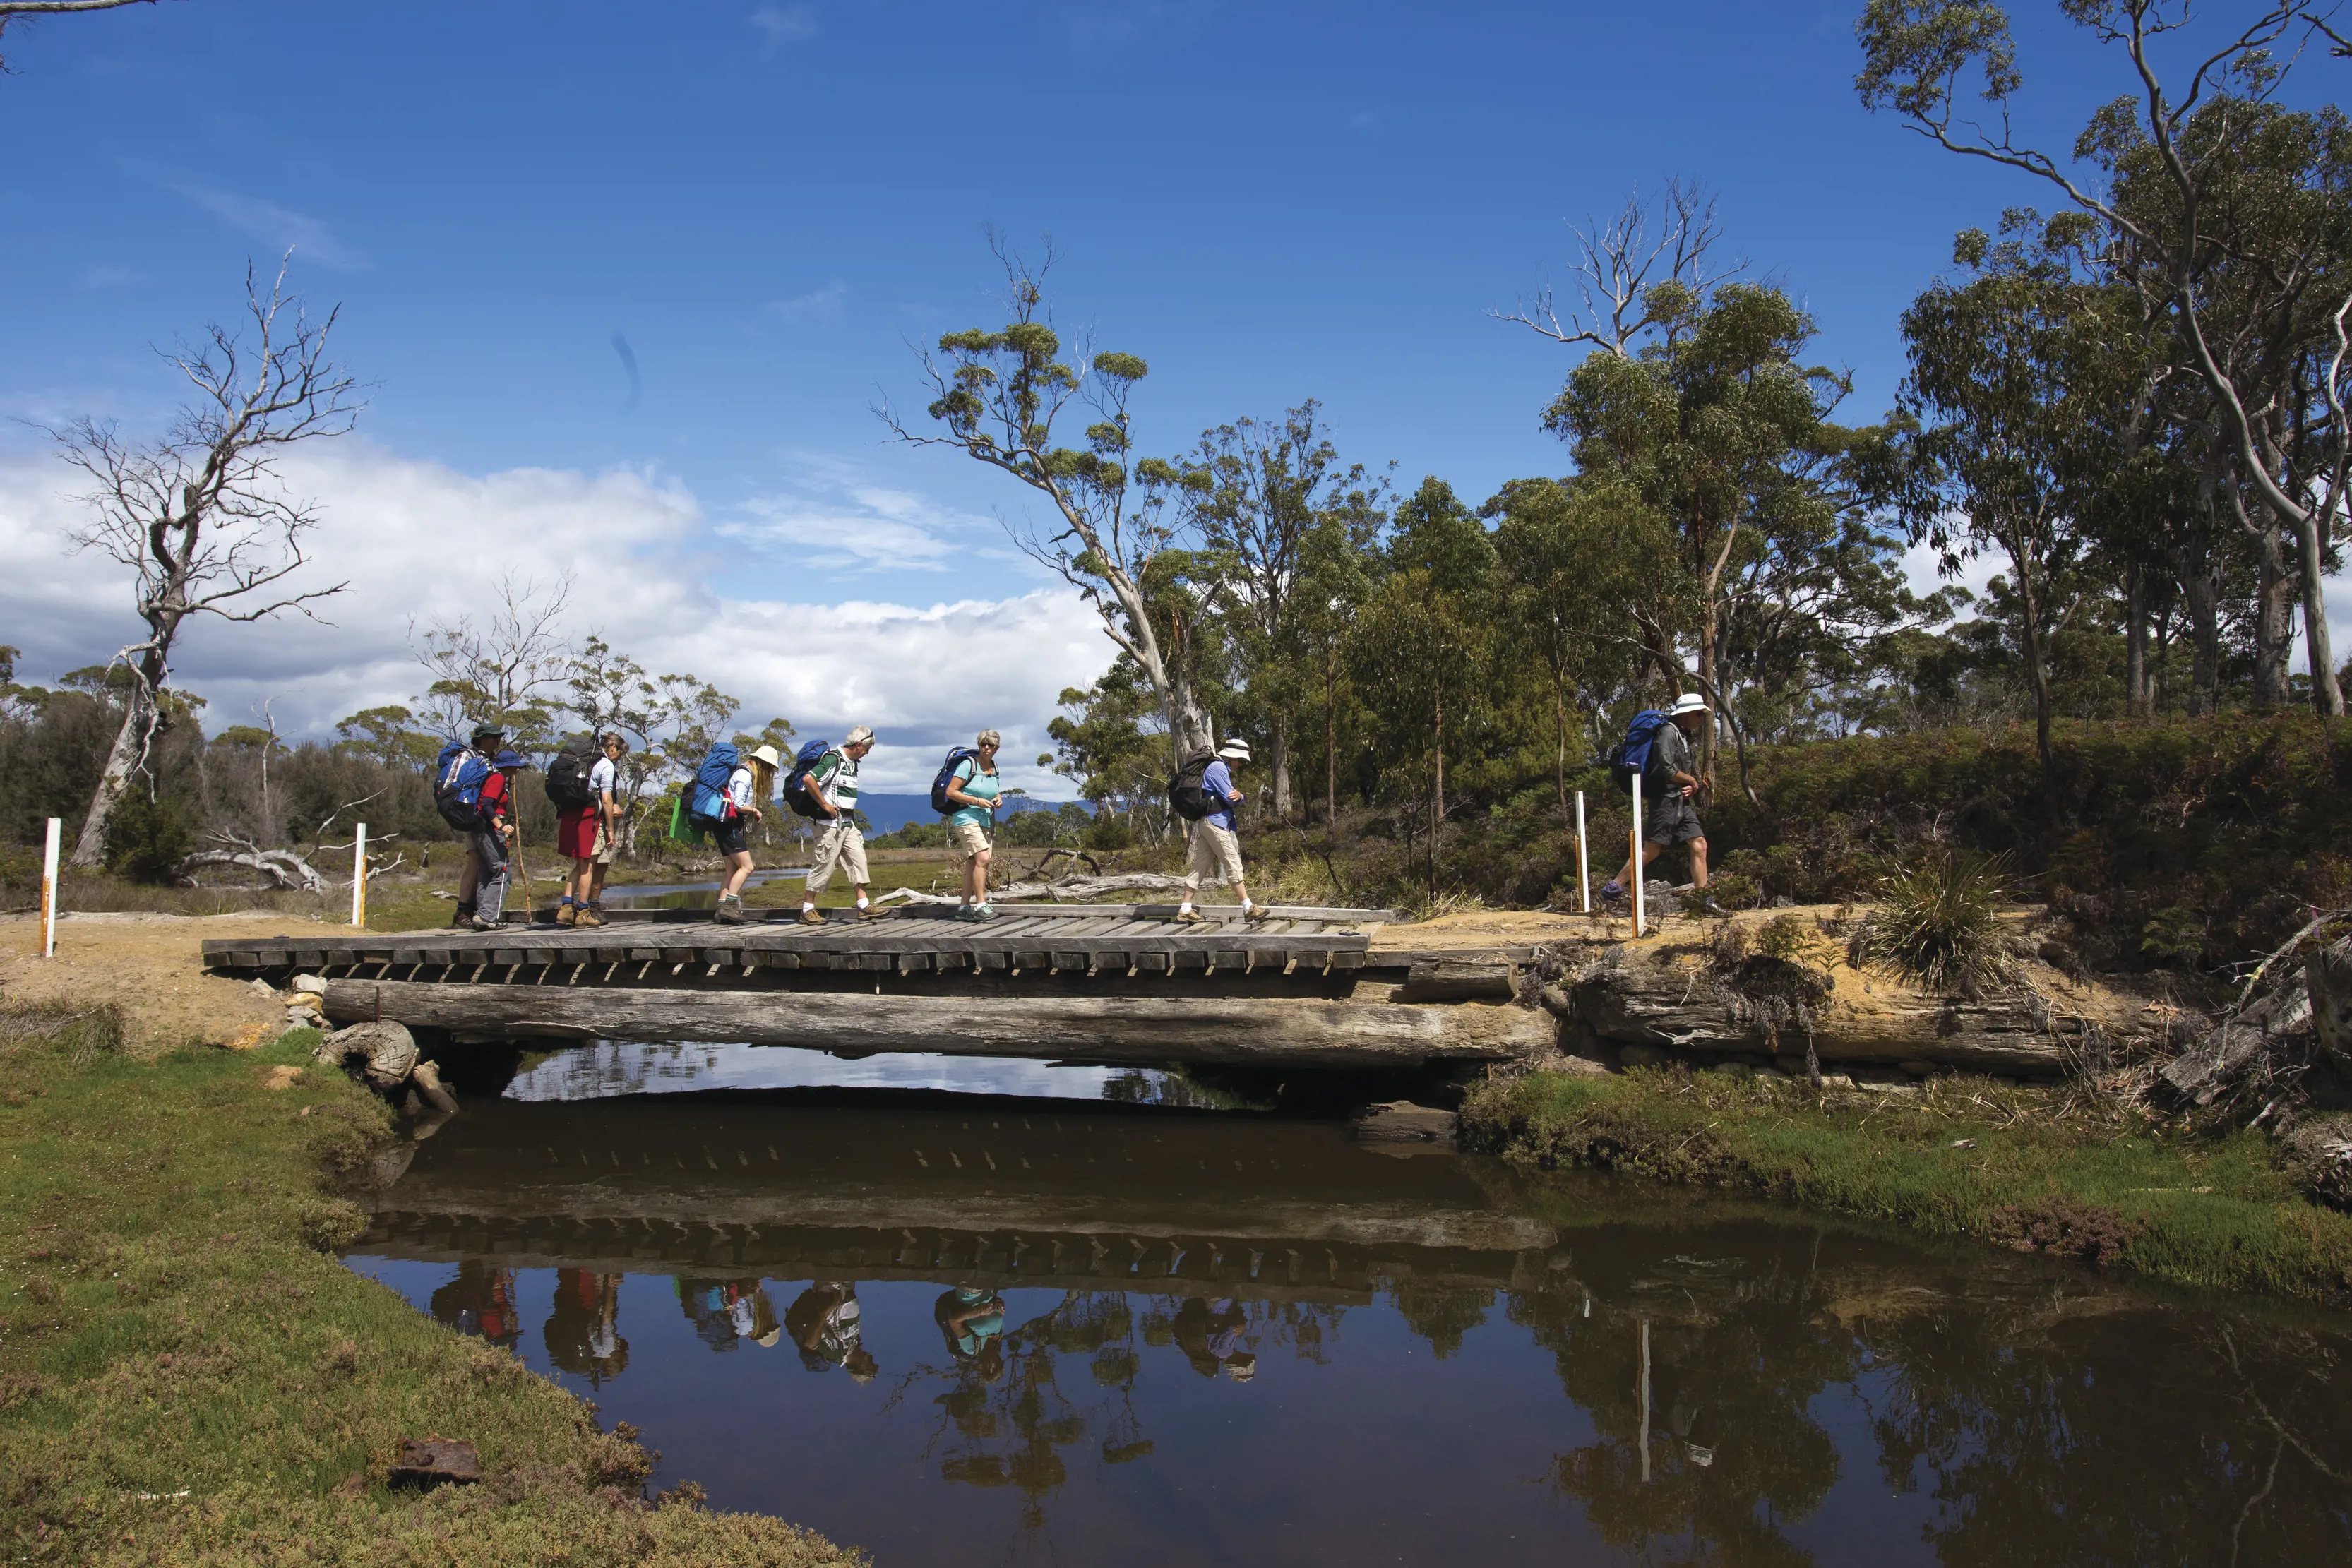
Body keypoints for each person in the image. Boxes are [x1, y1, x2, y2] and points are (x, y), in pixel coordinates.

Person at [1601, 693, 1721, 915]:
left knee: (1700, 844)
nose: (1702, 718)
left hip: (1680, 802)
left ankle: (1703, 900)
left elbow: (1681, 772)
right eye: (1699, 713)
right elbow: (1666, 767)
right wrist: (1692, 780)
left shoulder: (1685, 736)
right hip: (1664, 800)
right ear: (1685, 715)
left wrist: (1691, 786)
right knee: (1652, 850)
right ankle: (1612, 890)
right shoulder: (1668, 732)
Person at [1177, 738, 1270, 923]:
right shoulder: (1219, 768)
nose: (1241, 765)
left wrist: (1237, 795)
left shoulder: (1217, 767)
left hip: (1208, 823)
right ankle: (1248, 907)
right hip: (1215, 823)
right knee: (1233, 863)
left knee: (1200, 867)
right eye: (1240, 761)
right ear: (1231, 757)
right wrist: (1241, 796)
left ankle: (1185, 909)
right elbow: (1231, 799)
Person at [800, 726, 879, 924]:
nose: (868, 752)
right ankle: (807, 909)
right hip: (829, 825)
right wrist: (825, 804)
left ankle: (863, 905)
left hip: (847, 823)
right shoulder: (833, 759)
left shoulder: (853, 763)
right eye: (867, 748)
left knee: (858, 860)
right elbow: (809, 780)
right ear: (859, 744)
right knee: (824, 864)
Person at [557, 731, 628, 928]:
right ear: (613, 747)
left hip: (573, 814)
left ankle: (565, 910)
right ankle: (583, 913)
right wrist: (611, 829)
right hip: (590, 817)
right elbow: (607, 799)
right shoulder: (605, 765)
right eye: (619, 754)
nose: (619, 759)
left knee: (581, 864)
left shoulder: (586, 761)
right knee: (589, 866)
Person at [941, 729, 1007, 922]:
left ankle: (963, 908)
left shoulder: (995, 768)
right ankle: (980, 905)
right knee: (983, 859)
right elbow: (951, 792)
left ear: (997, 748)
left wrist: (998, 798)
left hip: (986, 820)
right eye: (983, 744)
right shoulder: (968, 765)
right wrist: (976, 801)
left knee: (974, 863)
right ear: (979, 745)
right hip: (966, 817)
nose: (986, 748)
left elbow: (994, 791)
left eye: (991, 745)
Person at [712, 743, 780, 926]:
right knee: (747, 867)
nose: (770, 773)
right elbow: (737, 804)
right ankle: (729, 907)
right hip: (729, 826)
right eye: (770, 769)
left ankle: (721, 911)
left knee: (731, 870)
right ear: (763, 764)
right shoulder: (744, 775)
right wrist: (755, 810)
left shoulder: (740, 772)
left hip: (722, 825)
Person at [449, 722, 506, 928]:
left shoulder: (488, 760)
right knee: (474, 861)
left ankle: (477, 911)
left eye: (499, 737)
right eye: (493, 737)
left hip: (481, 820)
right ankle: (463, 911)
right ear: (481, 738)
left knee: (480, 864)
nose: (497, 741)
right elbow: (455, 786)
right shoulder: (468, 757)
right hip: (471, 817)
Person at [467, 748, 530, 932]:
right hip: (490, 830)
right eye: (515, 766)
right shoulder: (498, 778)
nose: (517, 770)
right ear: (509, 766)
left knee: (486, 873)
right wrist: (500, 826)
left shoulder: (492, 777)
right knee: (502, 872)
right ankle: (487, 916)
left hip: (480, 829)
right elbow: (486, 804)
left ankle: (482, 915)